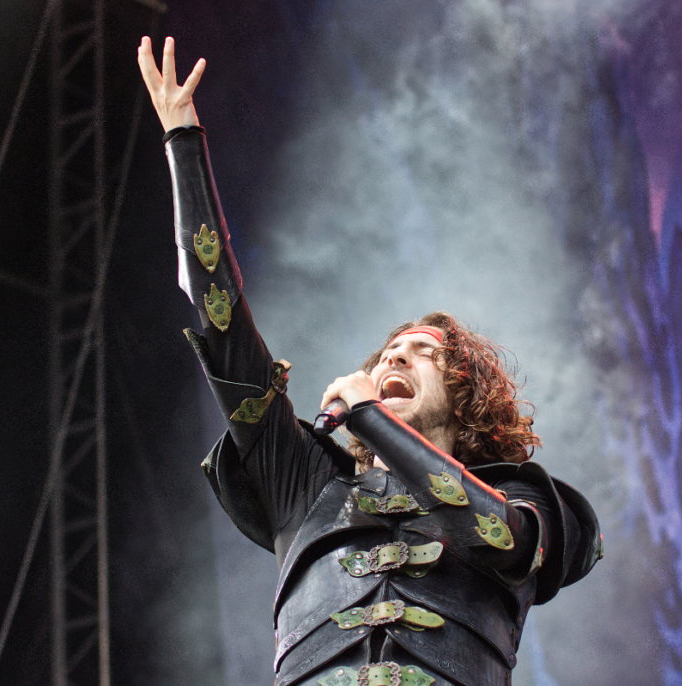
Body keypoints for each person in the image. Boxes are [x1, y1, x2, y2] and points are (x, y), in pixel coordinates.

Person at [138, 36, 601, 686]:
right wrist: (182, 143)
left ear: (466, 396)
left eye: (425, 354)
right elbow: (221, 326)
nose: (398, 355)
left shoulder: (523, 497)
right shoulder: (304, 485)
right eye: (389, 352)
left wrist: (370, 417)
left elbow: (501, 539)